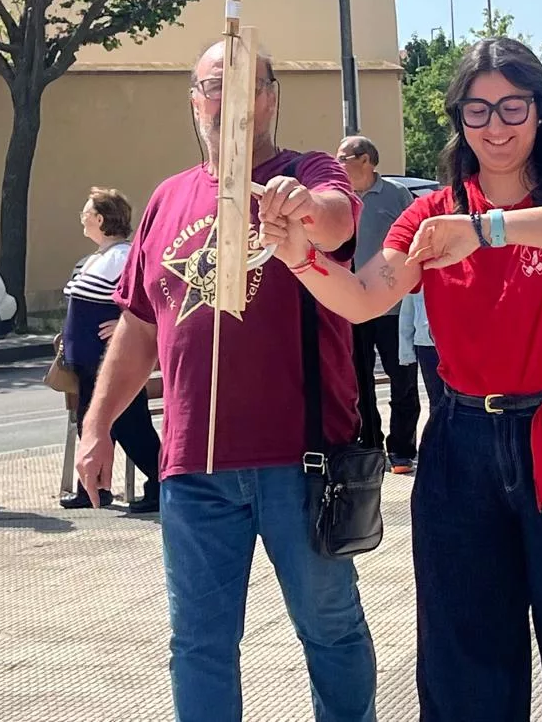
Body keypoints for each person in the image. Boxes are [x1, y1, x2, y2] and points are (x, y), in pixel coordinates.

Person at [261, 36, 542, 720]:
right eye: (478, 111)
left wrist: (490, 228)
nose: (496, 126)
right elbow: (365, 296)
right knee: (462, 657)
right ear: (459, 120)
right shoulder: (430, 216)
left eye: (512, 107)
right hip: (462, 443)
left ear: (541, 112)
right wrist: (299, 259)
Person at [75, 43, 377, 722]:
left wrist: (299, 206)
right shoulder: (166, 198)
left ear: (272, 96)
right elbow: (139, 328)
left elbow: (334, 221)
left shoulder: (305, 172)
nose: (229, 99)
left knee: (330, 630)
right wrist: (96, 427)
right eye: (214, 85)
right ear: (194, 100)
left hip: (301, 461)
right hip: (194, 469)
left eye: (246, 85)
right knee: (200, 645)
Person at [57, 187, 163, 513]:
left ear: (100, 219)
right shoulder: (96, 258)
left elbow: (148, 295)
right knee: (92, 422)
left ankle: (162, 483)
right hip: (87, 359)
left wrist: (122, 324)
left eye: (86, 212)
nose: (82, 217)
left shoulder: (123, 256)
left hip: (110, 359)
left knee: (131, 425)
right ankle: (94, 488)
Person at [335, 135, 420, 474]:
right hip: (351, 305)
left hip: (393, 307)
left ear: (367, 159)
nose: (337, 162)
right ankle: (370, 445)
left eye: (343, 156)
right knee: (357, 382)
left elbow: (414, 242)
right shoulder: (336, 199)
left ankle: (401, 450)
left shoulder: (396, 195)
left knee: (403, 380)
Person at [397, 290, 443, 422]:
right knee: (436, 401)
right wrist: (406, 353)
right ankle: (438, 440)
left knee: (460, 400)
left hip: (455, 345)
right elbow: (407, 313)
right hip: (426, 346)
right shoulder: (416, 274)